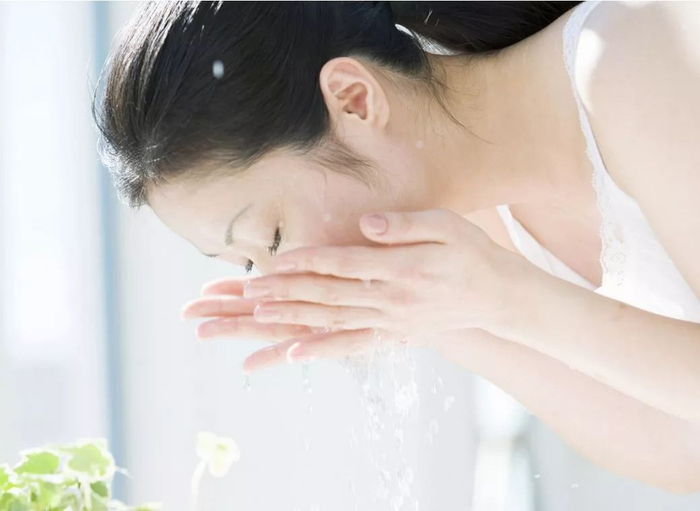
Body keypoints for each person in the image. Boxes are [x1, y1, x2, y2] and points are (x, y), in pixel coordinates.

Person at [93, 1, 700, 494]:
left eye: (273, 237)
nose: (290, 278)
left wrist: (510, 299)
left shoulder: (628, 58)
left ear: (354, 99)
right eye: (252, 264)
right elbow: (680, 450)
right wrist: (447, 321)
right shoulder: (476, 234)